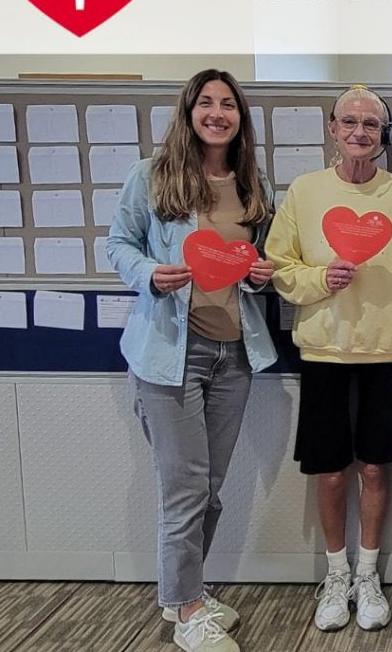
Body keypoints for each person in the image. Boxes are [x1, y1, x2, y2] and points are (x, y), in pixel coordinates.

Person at [107, 69, 277, 652]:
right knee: (184, 490)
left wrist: (261, 276)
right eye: (206, 102)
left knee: (211, 489)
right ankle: (183, 610)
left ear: (240, 119)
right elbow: (118, 244)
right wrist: (149, 275)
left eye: (228, 104)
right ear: (188, 112)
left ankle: (191, 594)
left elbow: (257, 264)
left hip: (235, 355)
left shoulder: (252, 185)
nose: (217, 112)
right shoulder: (152, 178)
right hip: (170, 355)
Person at [265, 85, 392, 633]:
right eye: (350, 122)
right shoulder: (305, 190)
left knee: (375, 467)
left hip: (385, 353)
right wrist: (320, 278)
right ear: (332, 129)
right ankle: (335, 574)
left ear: (383, 136)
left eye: (372, 125)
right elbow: (277, 266)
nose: (361, 132)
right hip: (323, 350)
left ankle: (368, 574)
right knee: (332, 472)